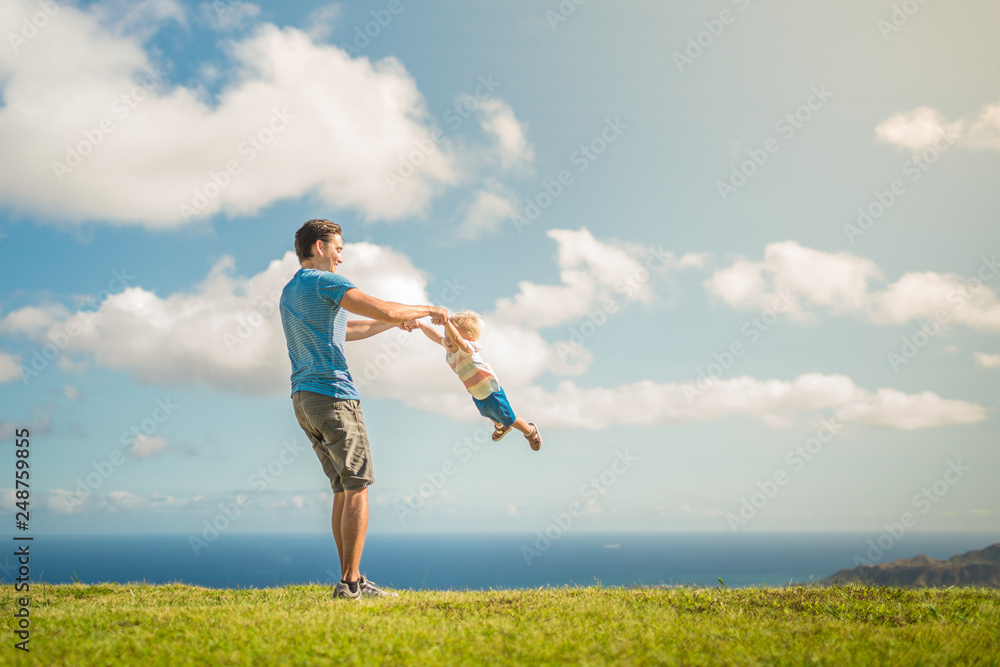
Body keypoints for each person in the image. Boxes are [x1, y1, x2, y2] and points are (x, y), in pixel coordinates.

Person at [280, 218, 448, 599]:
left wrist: (392, 325)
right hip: (334, 395)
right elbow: (384, 308)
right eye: (338, 248)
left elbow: (347, 330)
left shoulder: (292, 291)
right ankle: (351, 584)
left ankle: (350, 578)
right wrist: (428, 309)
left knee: (342, 487)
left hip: (304, 399)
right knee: (357, 485)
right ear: (320, 247)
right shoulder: (327, 282)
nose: (341, 257)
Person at [415, 311, 542, 451]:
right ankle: (501, 427)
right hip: (476, 393)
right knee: (487, 412)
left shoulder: (467, 349)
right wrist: (419, 324)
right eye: (446, 335)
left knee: (509, 419)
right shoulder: (449, 345)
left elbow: (457, 338)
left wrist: (446, 322)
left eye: (450, 336)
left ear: (468, 339)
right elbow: (435, 336)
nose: (447, 340)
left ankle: (530, 431)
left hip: (491, 391)